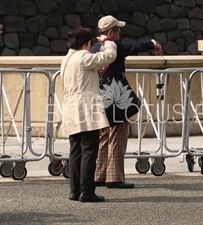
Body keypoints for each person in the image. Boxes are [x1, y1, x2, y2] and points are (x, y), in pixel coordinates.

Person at [91, 15, 163, 189]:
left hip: (97, 96)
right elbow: (135, 47)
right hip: (116, 96)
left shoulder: (94, 48)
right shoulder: (114, 47)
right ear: (110, 32)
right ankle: (114, 177)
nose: (120, 32)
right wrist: (154, 43)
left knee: (103, 136)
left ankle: (99, 175)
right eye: (117, 30)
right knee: (118, 134)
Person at [61, 26, 117, 202]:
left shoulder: (67, 59)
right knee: (89, 151)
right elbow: (109, 57)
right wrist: (108, 43)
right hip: (86, 108)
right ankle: (87, 191)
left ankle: (75, 190)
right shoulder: (84, 56)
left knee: (75, 151)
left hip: (70, 107)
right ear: (85, 43)